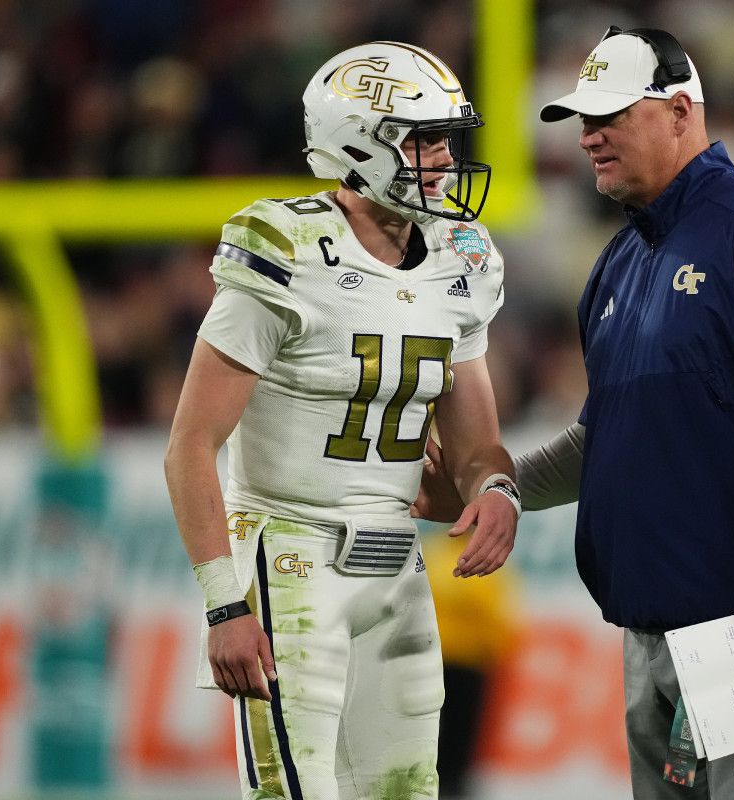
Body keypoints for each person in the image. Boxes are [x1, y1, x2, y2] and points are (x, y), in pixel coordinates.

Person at [417, 26, 734, 800]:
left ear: (681, 111)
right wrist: (497, 490)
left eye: (611, 115)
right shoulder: (620, 262)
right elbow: (607, 440)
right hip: (653, 629)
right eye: (582, 120)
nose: (588, 137)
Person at [164, 41, 521, 800]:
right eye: (422, 140)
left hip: (397, 567)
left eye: (446, 141)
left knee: (406, 792)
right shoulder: (285, 247)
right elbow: (191, 445)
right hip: (291, 555)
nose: (443, 161)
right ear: (357, 142)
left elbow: (475, 445)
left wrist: (496, 488)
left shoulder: (463, 259)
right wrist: (226, 602)